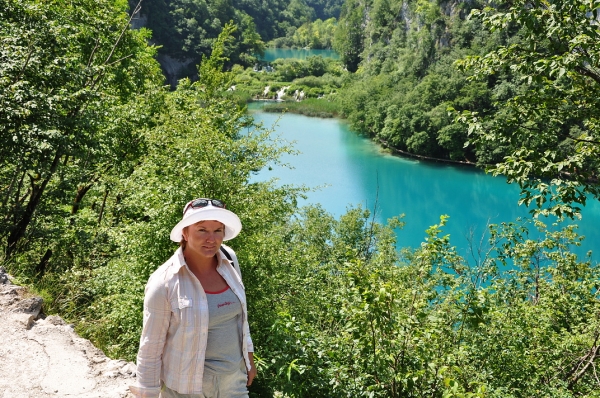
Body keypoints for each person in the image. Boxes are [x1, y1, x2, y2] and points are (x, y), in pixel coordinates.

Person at [130, 198, 256, 398]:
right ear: (185, 233)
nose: (211, 239)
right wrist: (147, 394)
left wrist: (249, 359)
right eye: (202, 230)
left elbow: (240, 319)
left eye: (218, 230)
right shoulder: (164, 282)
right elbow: (150, 347)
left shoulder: (229, 260)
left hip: (233, 383)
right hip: (186, 390)